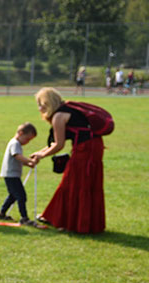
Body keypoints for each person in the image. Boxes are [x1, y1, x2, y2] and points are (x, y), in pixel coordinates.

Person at [29, 87, 106, 233]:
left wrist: (41, 156)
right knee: (83, 183)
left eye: (41, 103)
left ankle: (69, 222)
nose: (39, 108)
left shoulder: (59, 116)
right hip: (94, 146)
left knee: (73, 183)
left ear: (48, 103)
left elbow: (59, 145)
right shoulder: (67, 109)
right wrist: (40, 153)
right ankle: (79, 221)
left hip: (86, 150)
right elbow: (56, 143)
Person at [0, 122, 38, 225]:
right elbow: (17, 156)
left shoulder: (16, 143)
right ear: (20, 133)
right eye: (27, 139)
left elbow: (17, 160)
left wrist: (28, 164)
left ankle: (1, 213)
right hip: (11, 174)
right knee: (21, 196)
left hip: (12, 174)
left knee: (13, 195)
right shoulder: (15, 143)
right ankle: (24, 218)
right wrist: (29, 161)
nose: (27, 142)